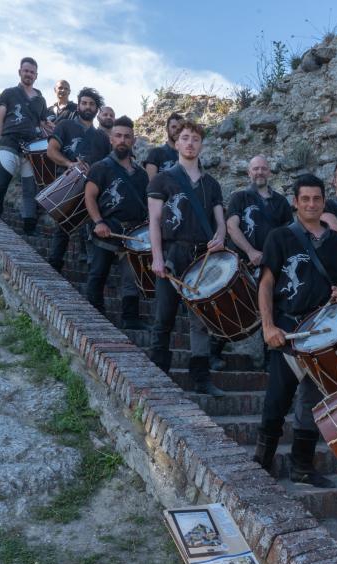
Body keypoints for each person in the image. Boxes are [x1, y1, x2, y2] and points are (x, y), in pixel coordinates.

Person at [254, 174, 337, 488]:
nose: (311, 204)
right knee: (276, 401)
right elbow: (266, 283)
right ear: (295, 202)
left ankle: (302, 466)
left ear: (324, 202)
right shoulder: (280, 237)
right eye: (305, 199)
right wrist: (268, 326)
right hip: (288, 328)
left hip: (323, 332)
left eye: (317, 199)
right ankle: (262, 462)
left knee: (311, 401)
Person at [147, 120, 227, 396]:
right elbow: (154, 222)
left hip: (202, 257)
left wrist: (221, 237)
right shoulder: (162, 179)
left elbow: (221, 221)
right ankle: (159, 374)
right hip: (173, 254)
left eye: (195, 138)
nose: (190, 143)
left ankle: (201, 378)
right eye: (185, 138)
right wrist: (157, 257)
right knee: (164, 316)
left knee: (201, 320)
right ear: (176, 142)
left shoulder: (211, 184)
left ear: (201, 144)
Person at [216, 154, 293, 369]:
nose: (259, 172)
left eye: (263, 168)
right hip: (243, 262)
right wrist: (250, 251)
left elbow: (289, 233)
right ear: (249, 173)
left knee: (271, 309)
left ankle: (270, 359)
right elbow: (232, 226)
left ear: (269, 172)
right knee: (234, 308)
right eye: (255, 169)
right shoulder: (240, 198)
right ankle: (215, 351)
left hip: (272, 266)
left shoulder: (281, 202)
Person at [83, 116, 149, 319]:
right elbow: (89, 196)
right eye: (118, 136)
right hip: (107, 230)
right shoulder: (100, 167)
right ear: (111, 139)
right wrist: (99, 222)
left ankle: (130, 319)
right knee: (98, 273)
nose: (122, 140)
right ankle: (94, 315)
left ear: (133, 141)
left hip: (132, 233)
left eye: (127, 137)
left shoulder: (142, 174)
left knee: (132, 278)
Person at [45, 87, 111, 273]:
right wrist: (69, 163)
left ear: (97, 110)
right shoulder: (65, 125)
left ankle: (90, 269)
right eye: (84, 103)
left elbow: (107, 165)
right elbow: (51, 150)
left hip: (93, 187)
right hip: (67, 181)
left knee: (92, 227)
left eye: (91, 104)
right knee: (63, 225)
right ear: (78, 105)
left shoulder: (103, 138)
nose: (87, 107)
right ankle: (55, 264)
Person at [0, 58, 52, 235]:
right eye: (26, 71)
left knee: (29, 189)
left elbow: (42, 123)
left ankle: (29, 227)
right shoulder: (9, 93)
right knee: (0, 184)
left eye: (32, 72)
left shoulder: (40, 100)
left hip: (31, 148)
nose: (29, 74)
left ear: (36, 75)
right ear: (20, 72)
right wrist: (0, 136)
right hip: (9, 141)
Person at [144, 112, 184, 179]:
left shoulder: (188, 153)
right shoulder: (156, 153)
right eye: (174, 127)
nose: (177, 130)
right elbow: (151, 184)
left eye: (180, 128)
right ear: (167, 129)